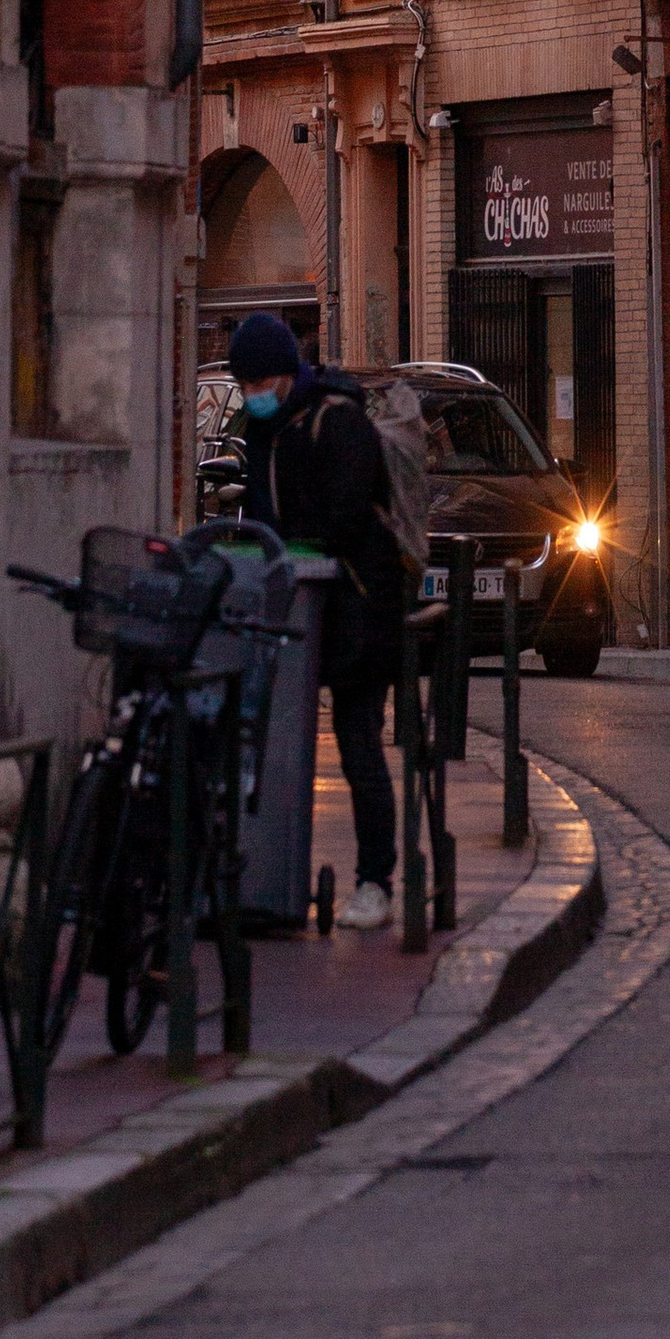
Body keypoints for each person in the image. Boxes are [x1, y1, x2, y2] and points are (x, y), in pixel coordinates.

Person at [226, 311, 404, 929]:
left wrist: (294, 546)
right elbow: (261, 514)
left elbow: (347, 517)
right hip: (296, 606)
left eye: (258, 382)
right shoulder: (264, 429)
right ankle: (262, 875)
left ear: (284, 374)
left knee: (359, 746)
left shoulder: (339, 421)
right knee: (267, 742)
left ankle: (376, 882)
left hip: (360, 609)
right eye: (244, 384)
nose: (252, 393)